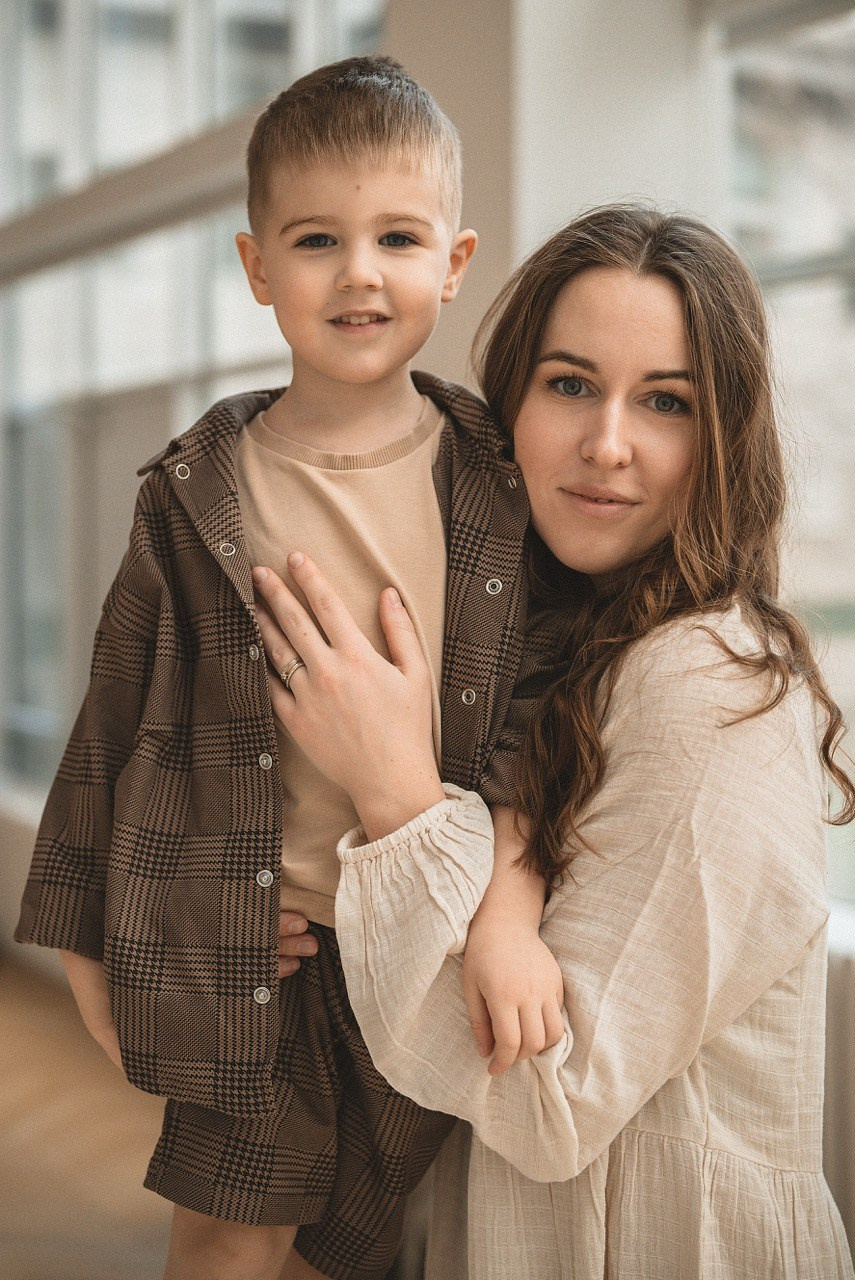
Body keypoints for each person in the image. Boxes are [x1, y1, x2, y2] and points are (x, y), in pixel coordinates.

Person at [14, 56, 563, 1280]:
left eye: (397, 236)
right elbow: (114, 721)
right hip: (261, 946)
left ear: (453, 264)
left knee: (386, 1241)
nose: (359, 270)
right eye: (317, 238)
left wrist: (511, 910)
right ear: (258, 266)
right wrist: (96, 945)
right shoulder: (195, 490)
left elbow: (540, 709)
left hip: (432, 937)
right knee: (225, 1235)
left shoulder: (496, 480)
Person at [255, 204, 855, 1279]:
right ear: (507, 409)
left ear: (723, 439)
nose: (607, 443)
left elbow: (550, 1094)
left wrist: (393, 790)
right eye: (570, 383)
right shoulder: (531, 643)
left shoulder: (710, 685)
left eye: (665, 401)